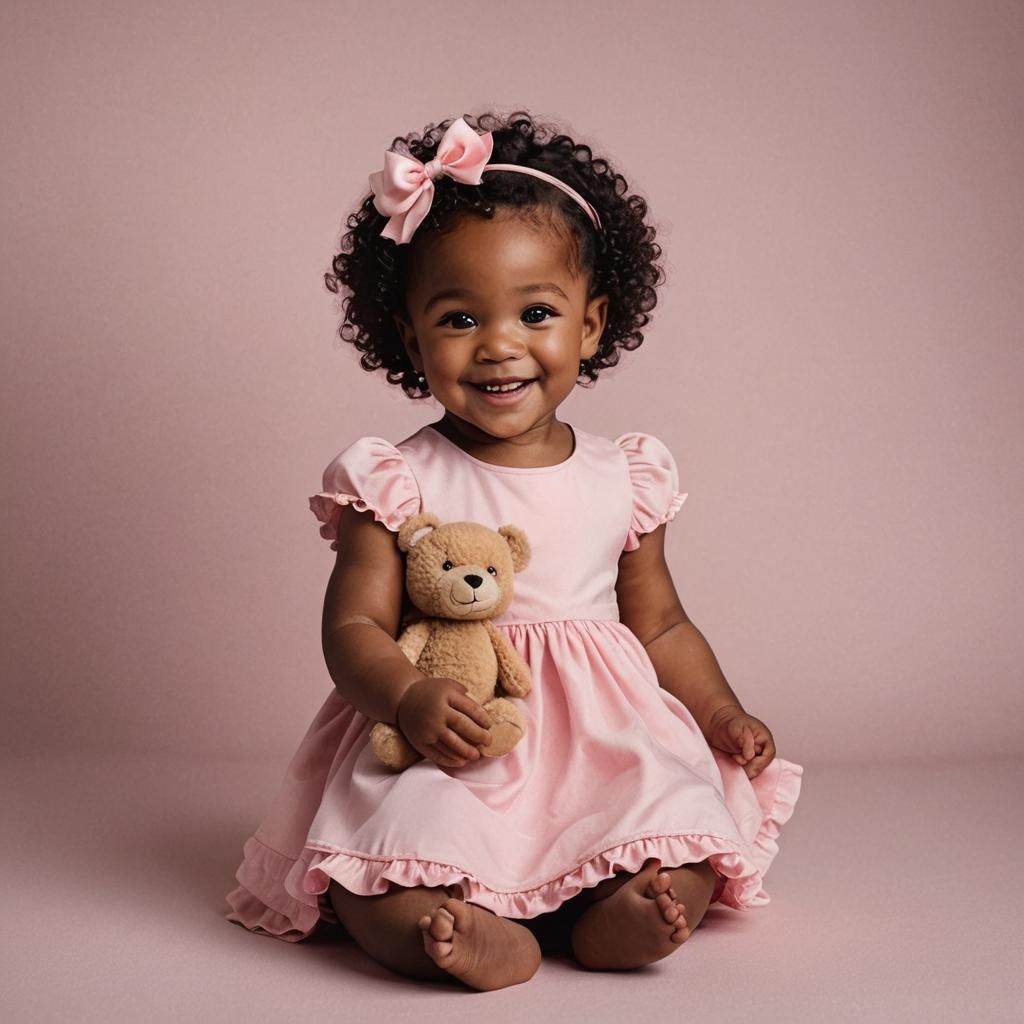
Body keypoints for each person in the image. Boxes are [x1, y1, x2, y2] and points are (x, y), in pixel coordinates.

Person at [225, 109, 803, 992]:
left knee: (678, 827)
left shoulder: (628, 474)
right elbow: (353, 628)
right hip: (455, 737)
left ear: (593, 324)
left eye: (537, 312)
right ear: (411, 340)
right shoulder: (396, 481)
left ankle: (627, 912)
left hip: (605, 743)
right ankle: (447, 927)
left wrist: (722, 713)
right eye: (459, 318)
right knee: (383, 865)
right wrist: (409, 695)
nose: (500, 344)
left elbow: (664, 624)